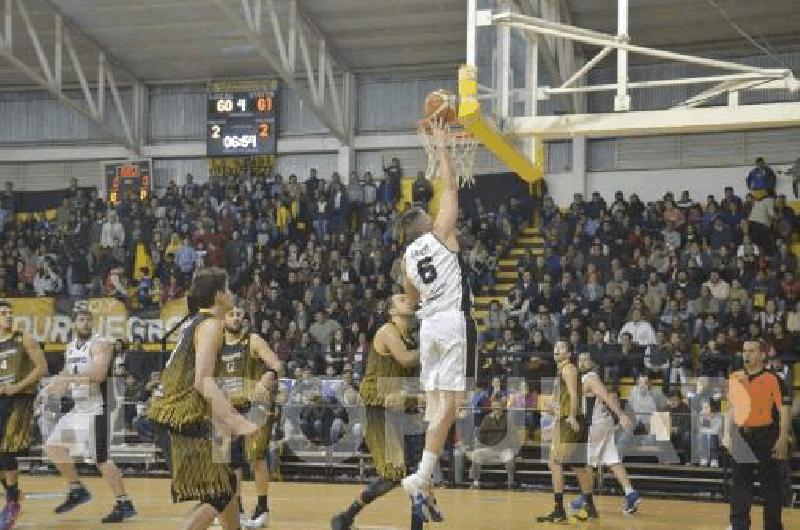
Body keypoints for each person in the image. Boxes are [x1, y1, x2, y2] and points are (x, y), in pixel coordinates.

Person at [398, 122, 475, 523]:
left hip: (427, 326)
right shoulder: (439, 234)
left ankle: (423, 481)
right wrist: (444, 151)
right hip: (448, 322)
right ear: (423, 226)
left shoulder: (406, 261)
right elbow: (451, 191)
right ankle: (422, 476)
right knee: (452, 404)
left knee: (435, 408)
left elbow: (409, 304)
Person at [148, 268, 257, 530]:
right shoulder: (211, 325)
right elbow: (202, 381)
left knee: (226, 485)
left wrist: (222, 419)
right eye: (228, 290)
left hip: (173, 415)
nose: (232, 295)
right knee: (218, 492)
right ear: (219, 295)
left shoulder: (196, 321)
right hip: (179, 418)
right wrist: (234, 420)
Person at [331, 294, 424, 530]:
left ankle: (347, 516)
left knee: (416, 472)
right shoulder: (387, 331)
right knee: (394, 474)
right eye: (402, 299)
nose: (408, 300)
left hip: (397, 402)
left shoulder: (410, 337)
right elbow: (404, 359)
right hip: (376, 403)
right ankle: (346, 515)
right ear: (392, 311)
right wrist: (434, 348)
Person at [42, 310, 136, 523]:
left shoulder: (100, 344)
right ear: (74, 323)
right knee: (53, 447)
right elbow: (68, 371)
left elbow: (98, 375)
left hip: (98, 408)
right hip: (79, 409)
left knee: (100, 459)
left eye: (88, 320)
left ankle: (124, 502)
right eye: (81, 320)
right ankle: (77, 490)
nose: (85, 323)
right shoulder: (70, 346)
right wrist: (52, 384)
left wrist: (68, 381)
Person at [218, 305, 283, 528]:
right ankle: (238, 510)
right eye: (232, 314)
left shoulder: (252, 340)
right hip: (231, 409)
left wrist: (269, 374)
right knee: (232, 462)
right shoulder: (217, 345)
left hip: (256, 407)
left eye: (239, 314)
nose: (236, 318)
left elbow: (276, 363)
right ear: (223, 318)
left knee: (256, 458)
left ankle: (262, 508)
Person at [723, 340, 791, 530]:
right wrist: (726, 434)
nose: (747, 354)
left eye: (751, 351)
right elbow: (731, 408)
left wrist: (782, 438)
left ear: (762, 355)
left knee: (770, 485)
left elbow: (784, 410)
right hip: (741, 436)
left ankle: (773, 526)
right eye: (744, 351)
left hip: (766, 435)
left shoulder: (773, 378)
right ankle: (739, 524)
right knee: (739, 483)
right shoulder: (735, 377)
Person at [569, 352, 640, 519]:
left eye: (586, 359)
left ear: (593, 363)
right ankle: (631, 493)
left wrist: (621, 415)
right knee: (612, 459)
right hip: (603, 423)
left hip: (595, 425)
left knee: (587, 463)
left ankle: (586, 497)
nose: (582, 362)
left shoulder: (590, 378)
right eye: (580, 359)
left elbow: (606, 397)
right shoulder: (584, 379)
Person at [0, 301, 47, 530]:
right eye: (3, 313)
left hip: (20, 399)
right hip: (1, 399)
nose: (8, 316)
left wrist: (16, 387)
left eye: (10, 313)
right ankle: (13, 494)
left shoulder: (24, 339)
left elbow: (42, 369)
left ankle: (11, 504)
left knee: (7, 447)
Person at [535, 340, 583, 523]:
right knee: (558, 463)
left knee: (557, 463)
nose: (556, 349)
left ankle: (560, 509)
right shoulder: (561, 370)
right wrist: (554, 409)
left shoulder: (568, 368)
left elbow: (573, 394)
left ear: (569, 354)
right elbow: (564, 398)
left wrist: (570, 416)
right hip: (562, 419)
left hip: (568, 420)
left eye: (561, 347)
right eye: (555, 347)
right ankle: (561, 508)